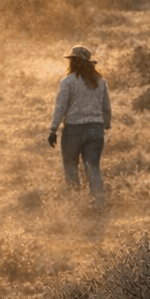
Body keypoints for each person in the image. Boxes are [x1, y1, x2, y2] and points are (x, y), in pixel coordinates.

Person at [48, 43, 113, 208]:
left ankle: (75, 204)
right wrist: (106, 124)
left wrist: (53, 129)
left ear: (73, 62)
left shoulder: (68, 81)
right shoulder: (100, 81)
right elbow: (106, 106)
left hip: (73, 130)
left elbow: (61, 107)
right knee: (93, 168)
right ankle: (98, 204)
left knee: (71, 168)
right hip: (95, 129)